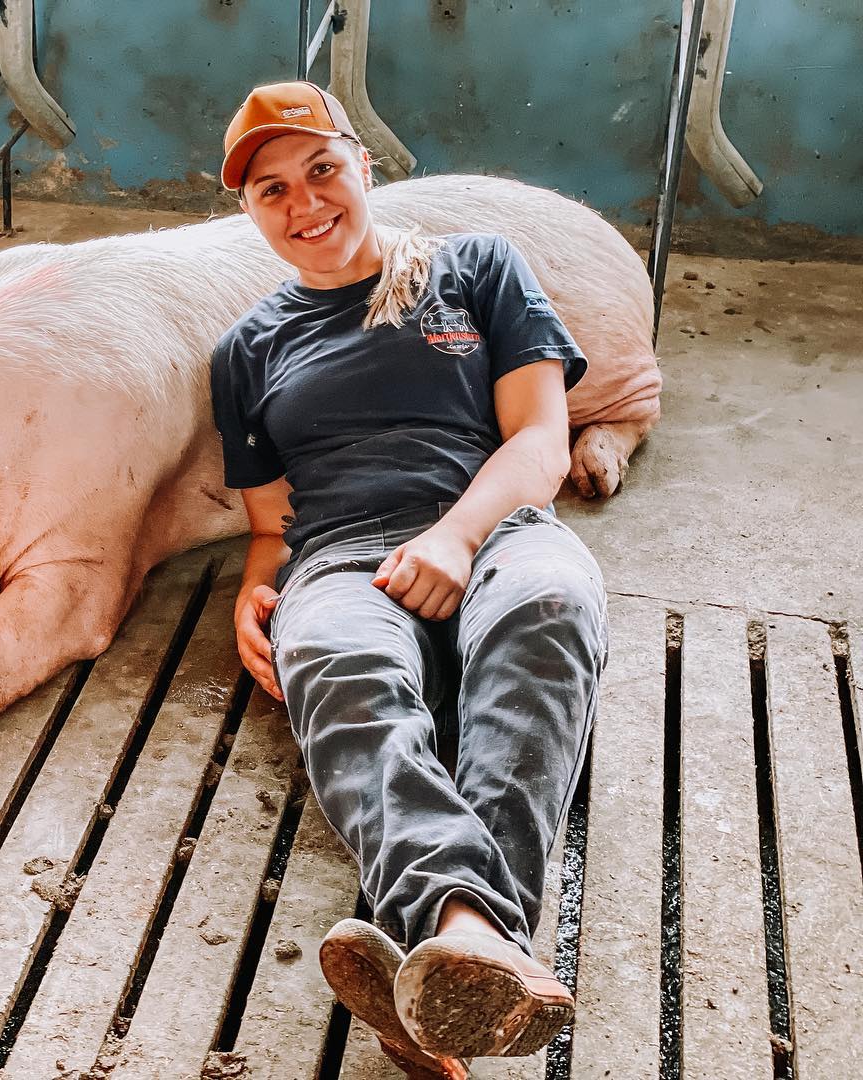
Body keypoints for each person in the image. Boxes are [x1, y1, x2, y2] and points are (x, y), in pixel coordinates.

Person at [210, 82, 608, 1078]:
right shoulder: (245, 350)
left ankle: (444, 959)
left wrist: (458, 538)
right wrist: (256, 599)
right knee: (338, 665)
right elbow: (272, 526)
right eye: (271, 189)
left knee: (550, 609)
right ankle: (468, 956)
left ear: (364, 164)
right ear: (248, 211)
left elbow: (541, 440)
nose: (304, 203)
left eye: (320, 170)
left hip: (500, 522)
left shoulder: (474, 267)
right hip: (344, 557)